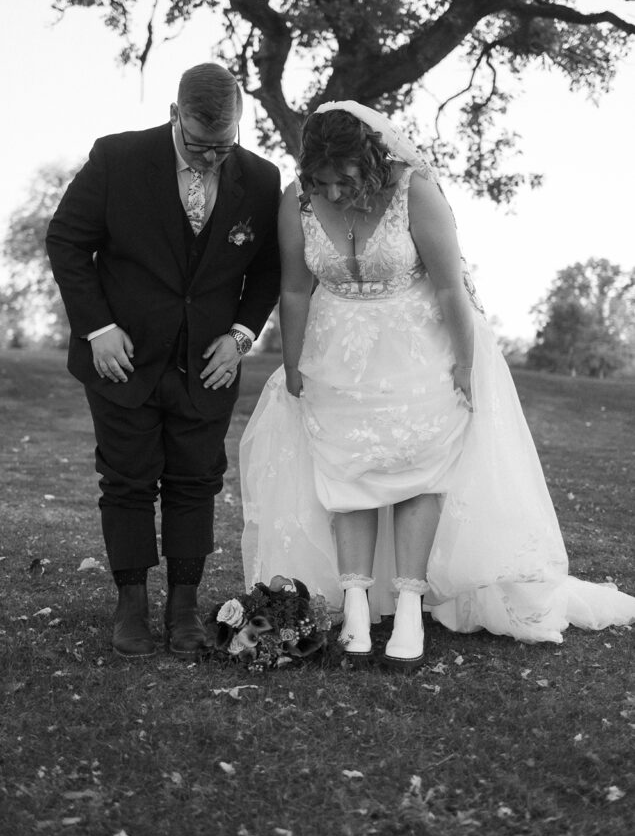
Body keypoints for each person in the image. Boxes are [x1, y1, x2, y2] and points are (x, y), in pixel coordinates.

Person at [240, 100, 635, 669]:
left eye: (343, 181)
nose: (330, 194)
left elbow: (451, 288)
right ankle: (354, 607)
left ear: (370, 164)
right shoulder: (297, 201)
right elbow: (296, 289)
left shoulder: (415, 191)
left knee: (418, 473)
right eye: (320, 182)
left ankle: (406, 605)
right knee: (342, 471)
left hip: (419, 348)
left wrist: (465, 367)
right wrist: (295, 363)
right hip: (336, 354)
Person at [46, 63, 280, 659]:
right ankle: (131, 607)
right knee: (125, 481)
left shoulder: (260, 178)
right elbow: (67, 239)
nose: (210, 159)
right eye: (200, 145)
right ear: (175, 115)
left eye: (222, 146)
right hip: (121, 359)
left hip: (208, 365)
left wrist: (241, 334)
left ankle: (183, 608)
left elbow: (269, 271)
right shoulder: (118, 159)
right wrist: (97, 328)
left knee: (196, 482)